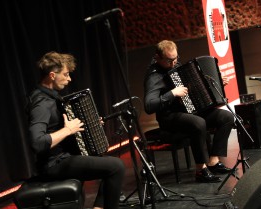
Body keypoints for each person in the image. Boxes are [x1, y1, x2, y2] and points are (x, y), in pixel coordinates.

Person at [27, 51, 125, 209]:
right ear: (52, 75)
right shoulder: (41, 104)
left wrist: (89, 124)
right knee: (116, 166)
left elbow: (59, 126)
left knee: (108, 162)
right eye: (65, 75)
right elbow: (37, 143)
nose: (69, 79)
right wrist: (67, 130)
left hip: (64, 157)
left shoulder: (52, 97)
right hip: (54, 164)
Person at [144, 40, 235, 183]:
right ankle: (201, 170)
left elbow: (195, 88)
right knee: (198, 122)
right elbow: (149, 106)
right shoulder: (154, 77)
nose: (173, 64)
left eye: (175, 59)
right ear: (157, 57)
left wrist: (215, 81)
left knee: (226, 116)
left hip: (189, 111)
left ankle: (213, 162)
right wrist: (171, 94)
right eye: (169, 61)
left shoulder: (177, 67)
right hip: (169, 118)